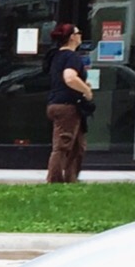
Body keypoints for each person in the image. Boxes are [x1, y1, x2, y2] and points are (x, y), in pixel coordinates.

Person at [44, 18, 93, 182]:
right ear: (72, 37)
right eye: (78, 33)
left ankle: (71, 178)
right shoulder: (71, 56)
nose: (81, 36)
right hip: (67, 105)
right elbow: (70, 78)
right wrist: (86, 90)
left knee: (78, 145)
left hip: (57, 103)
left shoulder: (56, 56)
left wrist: (82, 84)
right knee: (63, 144)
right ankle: (55, 180)